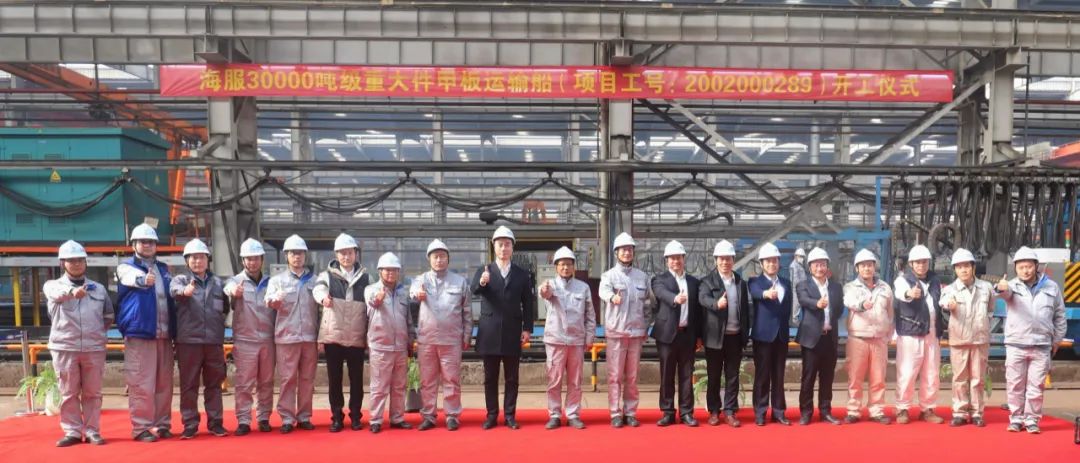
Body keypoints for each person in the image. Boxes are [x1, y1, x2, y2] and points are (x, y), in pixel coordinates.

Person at [44, 240, 114, 447]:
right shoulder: (53, 286)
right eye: (71, 260)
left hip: (94, 348)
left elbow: (108, 316)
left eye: (80, 260)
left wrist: (96, 334)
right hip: (65, 347)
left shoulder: (98, 289)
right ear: (62, 263)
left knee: (93, 393)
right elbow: (56, 295)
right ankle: (72, 431)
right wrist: (71, 293)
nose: (76, 264)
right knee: (68, 393)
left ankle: (92, 431)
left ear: (86, 262)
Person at [471, 226, 536, 430]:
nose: (504, 248)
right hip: (489, 331)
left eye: (507, 244)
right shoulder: (484, 270)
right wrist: (482, 282)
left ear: (512, 247)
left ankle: (509, 415)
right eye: (500, 244)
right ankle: (491, 415)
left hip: (512, 331)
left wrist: (527, 329)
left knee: (512, 378)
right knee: (490, 377)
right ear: (494, 246)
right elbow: (474, 290)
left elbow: (528, 303)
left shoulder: (522, 274)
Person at [996, 246, 1066, 434]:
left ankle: (1032, 419)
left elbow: (1060, 315)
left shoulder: (1051, 287)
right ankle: (1016, 418)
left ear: (1036, 266)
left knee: (1036, 385)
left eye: (1029, 266)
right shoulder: (1011, 286)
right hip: (1016, 344)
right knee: (1015, 384)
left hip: (1041, 345)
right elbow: (1003, 293)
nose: (1025, 271)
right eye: (1021, 267)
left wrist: (1057, 340)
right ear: (1015, 268)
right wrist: (1001, 288)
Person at [115, 223, 176, 442]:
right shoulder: (126, 267)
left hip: (164, 334)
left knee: (164, 384)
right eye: (143, 242)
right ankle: (141, 428)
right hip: (140, 333)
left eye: (151, 242)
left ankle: (162, 425)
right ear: (134, 245)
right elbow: (130, 278)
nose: (147, 245)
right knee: (141, 382)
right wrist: (143, 280)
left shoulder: (163, 269)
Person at [169, 239, 229, 439]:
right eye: (193, 258)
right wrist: (185, 292)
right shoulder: (180, 280)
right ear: (186, 261)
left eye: (201, 257)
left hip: (213, 342)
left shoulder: (218, 283)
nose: (197, 261)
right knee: (189, 385)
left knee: (214, 384)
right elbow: (174, 291)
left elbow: (225, 308)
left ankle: (216, 423)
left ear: (207, 259)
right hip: (188, 342)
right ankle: (190, 424)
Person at [411, 239, 472, 432]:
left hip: (451, 339)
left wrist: (467, 335)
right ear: (429, 259)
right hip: (427, 340)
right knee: (427, 380)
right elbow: (413, 292)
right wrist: (418, 294)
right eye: (435, 257)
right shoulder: (421, 280)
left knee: (451, 379)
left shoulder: (460, 282)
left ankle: (452, 415)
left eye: (442, 256)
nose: (439, 260)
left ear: (448, 259)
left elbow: (467, 311)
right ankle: (428, 415)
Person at [313, 233, 370, 433]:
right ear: (336, 254)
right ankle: (336, 417)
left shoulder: (366, 277)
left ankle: (355, 416)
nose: (346, 256)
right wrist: (323, 298)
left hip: (356, 335)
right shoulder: (327, 276)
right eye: (342, 253)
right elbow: (318, 289)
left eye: (350, 252)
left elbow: (371, 300)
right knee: (334, 379)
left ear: (356, 253)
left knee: (357, 380)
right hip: (334, 336)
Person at [598, 232, 653, 428]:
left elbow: (649, 305)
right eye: (623, 249)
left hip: (636, 334)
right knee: (615, 376)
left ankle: (630, 412)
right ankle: (615, 413)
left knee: (632, 376)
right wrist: (612, 297)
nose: (627, 252)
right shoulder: (609, 276)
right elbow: (603, 291)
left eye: (630, 249)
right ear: (616, 252)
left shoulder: (642, 277)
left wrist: (646, 326)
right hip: (616, 333)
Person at [265, 234, 318, 434]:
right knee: (287, 379)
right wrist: (274, 301)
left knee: (307, 379)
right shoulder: (277, 281)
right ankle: (287, 418)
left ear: (305, 255)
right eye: (293, 253)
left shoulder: (315, 281)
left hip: (309, 337)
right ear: (286, 256)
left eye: (300, 253)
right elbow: (269, 301)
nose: (297, 257)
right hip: (286, 337)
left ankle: (304, 416)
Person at [539, 246, 596, 430]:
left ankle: (573, 415)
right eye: (562, 264)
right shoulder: (550, 285)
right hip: (555, 340)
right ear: (556, 266)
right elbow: (544, 293)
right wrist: (544, 289)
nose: (565, 268)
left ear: (574, 266)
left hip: (576, 341)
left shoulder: (583, 288)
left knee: (575, 381)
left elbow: (590, 314)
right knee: (554, 380)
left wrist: (590, 336)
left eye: (569, 264)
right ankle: (554, 415)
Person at [223, 238, 275, 435]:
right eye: (249, 259)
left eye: (256, 258)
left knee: (266, 382)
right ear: (243, 260)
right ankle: (244, 420)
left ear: (262, 259)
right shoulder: (235, 282)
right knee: (244, 383)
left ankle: (264, 418)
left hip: (268, 340)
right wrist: (234, 292)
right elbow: (227, 288)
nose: (252, 262)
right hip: (245, 341)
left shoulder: (271, 283)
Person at [697, 240, 751, 428]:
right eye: (721, 259)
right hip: (715, 337)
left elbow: (745, 311)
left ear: (733, 260)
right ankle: (714, 411)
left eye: (728, 259)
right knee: (714, 376)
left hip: (735, 337)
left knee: (733, 376)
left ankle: (730, 411)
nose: (725, 262)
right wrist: (716, 304)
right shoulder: (707, 281)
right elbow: (702, 298)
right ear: (716, 260)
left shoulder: (740, 283)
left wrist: (745, 334)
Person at [941, 248, 994, 428]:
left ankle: (977, 412)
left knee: (978, 378)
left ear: (973, 267)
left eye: (966, 266)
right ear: (954, 269)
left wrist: (983, 324)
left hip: (980, 339)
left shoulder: (986, 288)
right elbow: (943, 301)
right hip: (959, 339)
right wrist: (949, 304)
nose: (963, 270)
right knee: (959, 379)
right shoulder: (950, 289)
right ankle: (960, 412)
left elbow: (991, 310)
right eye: (959, 267)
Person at [893, 245, 945, 424]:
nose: (921, 265)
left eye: (924, 262)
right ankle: (902, 408)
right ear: (911, 264)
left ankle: (927, 409)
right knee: (907, 372)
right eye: (918, 262)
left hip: (932, 332)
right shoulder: (903, 280)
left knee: (932, 373)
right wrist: (909, 293)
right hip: (911, 333)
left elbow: (941, 300)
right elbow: (900, 293)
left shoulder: (935, 281)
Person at [651, 240, 701, 427]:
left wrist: (699, 336)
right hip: (666, 335)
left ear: (684, 258)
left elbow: (698, 312)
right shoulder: (659, 280)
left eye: (678, 257)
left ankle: (686, 412)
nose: (676, 261)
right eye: (672, 258)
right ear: (666, 260)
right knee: (667, 374)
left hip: (687, 335)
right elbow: (661, 293)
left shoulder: (694, 282)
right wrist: (675, 298)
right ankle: (668, 412)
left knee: (687, 375)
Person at [365, 252, 416, 434]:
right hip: (380, 346)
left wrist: (411, 340)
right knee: (379, 386)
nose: (391, 273)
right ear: (380, 271)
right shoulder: (371, 290)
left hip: (400, 347)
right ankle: (376, 420)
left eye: (394, 270)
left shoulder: (403, 292)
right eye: (387, 270)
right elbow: (371, 303)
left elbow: (408, 319)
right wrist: (378, 299)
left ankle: (397, 418)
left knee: (399, 386)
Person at [841, 249, 893, 425]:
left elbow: (890, 313)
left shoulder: (885, 288)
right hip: (858, 339)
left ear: (874, 267)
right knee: (855, 378)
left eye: (870, 265)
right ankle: (853, 410)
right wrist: (862, 304)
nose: (867, 268)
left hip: (879, 339)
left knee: (878, 378)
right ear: (857, 268)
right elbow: (848, 301)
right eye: (863, 265)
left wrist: (887, 334)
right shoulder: (850, 287)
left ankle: (876, 411)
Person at [794, 247, 843, 426]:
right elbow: (803, 300)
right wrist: (817, 303)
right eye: (816, 265)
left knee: (827, 377)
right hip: (811, 339)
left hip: (829, 338)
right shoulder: (803, 285)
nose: (820, 268)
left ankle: (825, 411)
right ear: (810, 267)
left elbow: (839, 309)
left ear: (827, 266)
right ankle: (806, 412)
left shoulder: (836, 287)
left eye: (822, 264)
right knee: (808, 377)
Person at [748, 242, 793, 426]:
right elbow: (755, 293)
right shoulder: (755, 282)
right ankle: (760, 411)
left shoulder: (786, 283)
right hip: (763, 337)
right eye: (768, 261)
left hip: (781, 335)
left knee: (779, 375)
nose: (772, 264)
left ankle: (779, 412)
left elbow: (787, 308)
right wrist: (766, 294)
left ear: (779, 262)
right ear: (761, 264)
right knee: (762, 376)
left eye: (774, 261)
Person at [790, 247, 808, 324]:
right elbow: (795, 279)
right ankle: (794, 321)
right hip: (796, 289)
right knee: (796, 304)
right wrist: (803, 285)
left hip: (801, 288)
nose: (802, 258)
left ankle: (797, 320)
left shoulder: (799, 265)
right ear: (795, 256)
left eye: (802, 256)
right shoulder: (793, 265)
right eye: (800, 256)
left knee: (800, 304)